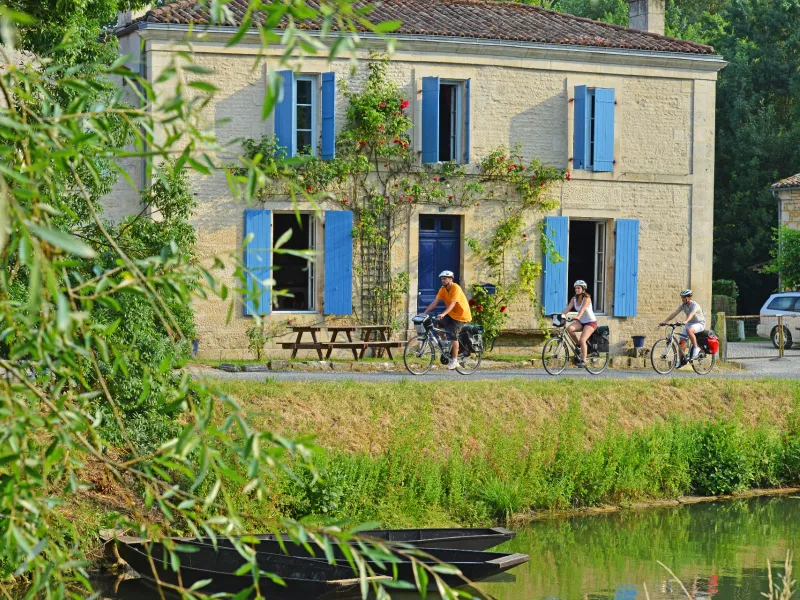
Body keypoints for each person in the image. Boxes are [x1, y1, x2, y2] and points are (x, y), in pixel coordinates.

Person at [422, 270, 472, 370]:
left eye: (445, 279)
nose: (443, 280)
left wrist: (443, 314)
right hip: (451, 314)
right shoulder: (442, 289)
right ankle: (445, 342)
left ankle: (454, 360)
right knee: (438, 324)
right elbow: (435, 302)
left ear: (450, 279)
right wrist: (424, 313)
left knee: (454, 334)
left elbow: (453, 303)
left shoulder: (456, 288)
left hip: (461, 315)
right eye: (442, 279)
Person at [560, 280, 597, 367]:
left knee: (583, 339)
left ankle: (583, 361)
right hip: (581, 322)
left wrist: (578, 317)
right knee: (570, 329)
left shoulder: (587, 298)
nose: (576, 289)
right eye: (576, 288)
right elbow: (568, 308)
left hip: (591, 322)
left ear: (583, 289)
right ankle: (578, 345)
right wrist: (560, 315)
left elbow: (583, 309)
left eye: (579, 288)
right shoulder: (574, 299)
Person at [660, 289, 705, 361]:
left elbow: (691, 314)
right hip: (690, 323)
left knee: (689, 330)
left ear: (689, 297)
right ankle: (682, 360)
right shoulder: (683, 306)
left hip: (699, 323)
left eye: (684, 297)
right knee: (681, 342)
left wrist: (686, 321)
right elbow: (675, 313)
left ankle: (696, 348)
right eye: (682, 297)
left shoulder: (694, 305)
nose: (683, 299)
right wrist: (665, 321)